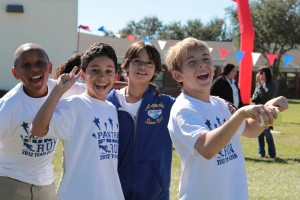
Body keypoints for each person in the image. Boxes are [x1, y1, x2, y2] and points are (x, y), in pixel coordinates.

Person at [165, 38, 289, 200]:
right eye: (192, 62)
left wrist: (268, 108)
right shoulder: (183, 109)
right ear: (178, 75)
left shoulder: (220, 103)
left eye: (206, 59)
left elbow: (250, 130)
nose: (201, 64)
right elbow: (207, 148)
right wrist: (240, 113)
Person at [30, 42, 124, 200]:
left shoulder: (111, 108)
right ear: (82, 75)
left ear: (115, 76)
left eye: (108, 71)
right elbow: (37, 129)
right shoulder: (74, 105)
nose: (102, 76)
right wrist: (58, 90)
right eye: (95, 71)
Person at [0, 43, 85, 200]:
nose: (34, 69)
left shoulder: (64, 88)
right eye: (26, 65)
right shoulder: (8, 106)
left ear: (50, 66)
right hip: (10, 183)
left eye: (40, 63)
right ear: (15, 73)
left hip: (46, 185)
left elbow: (98, 90)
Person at [107, 41, 175, 200]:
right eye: (137, 61)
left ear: (156, 69)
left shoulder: (166, 104)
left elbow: (194, 105)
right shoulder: (108, 103)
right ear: (126, 65)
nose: (143, 67)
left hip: (155, 192)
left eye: (149, 63)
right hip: (114, 191)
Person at [252, 66, 277, 158]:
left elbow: (266, 95)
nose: (259, 75)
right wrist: (257, 85)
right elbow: (255, 96)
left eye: (261, 73)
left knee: (267, 133)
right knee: (259, 133)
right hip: (258, 111)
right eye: (258, 73)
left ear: (266, 73)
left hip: (267, 112)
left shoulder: (272, 84)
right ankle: (261, 153)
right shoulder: (260, 84)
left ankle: (272, 153)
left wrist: (259, 84)